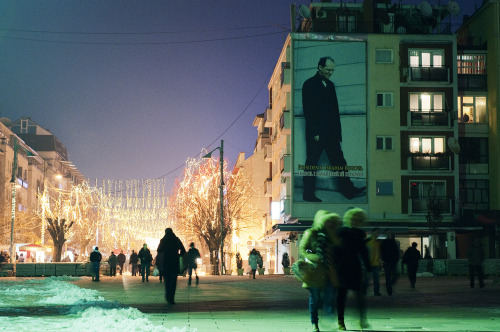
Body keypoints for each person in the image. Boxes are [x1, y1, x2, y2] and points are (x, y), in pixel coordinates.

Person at [301, 56, 366, 202]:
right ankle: (308, 194)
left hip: (331, 134)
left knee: (340, 163)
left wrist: (338, 134)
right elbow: (309, 111)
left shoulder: (330, 85)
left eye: (332, 70)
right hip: (316, 134)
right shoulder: (309, 84)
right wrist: (315, 132)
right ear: (320, 67)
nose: (330, 72)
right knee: (311, 164)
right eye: (328, 69)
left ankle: (349, 191)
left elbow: (335, 112)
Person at [299, 210, 341, 332]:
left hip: (329, 271)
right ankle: (314, 323)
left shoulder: (332, 235)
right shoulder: (310, 233)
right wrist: (314, 257)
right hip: (315, 271)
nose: (329, 223)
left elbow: (338, 249)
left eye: (331, 221)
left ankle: (329, 318)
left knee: (329, 296)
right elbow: (302, 249)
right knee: (315, 297)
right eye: (327, 220)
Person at [335, 208, 370, 331]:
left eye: (358, 219)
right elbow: (336, 249)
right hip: (342, 266)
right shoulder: (341, 231)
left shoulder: (360, 233)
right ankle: (341, 321)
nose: (355, 221)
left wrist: (368, 266)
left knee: (359, 295)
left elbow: (363, 251)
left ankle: (362, 319)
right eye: (353, 218)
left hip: (355, 267)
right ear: (349, 219)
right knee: (341, 295)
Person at [157, 228, 186, 304]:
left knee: (167, 281)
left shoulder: (163, 240)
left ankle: (167, 296)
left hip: (166, 263)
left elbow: (159, 250)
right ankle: (172, 298)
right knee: (173, 282)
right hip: (174, 263)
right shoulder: (176, 240)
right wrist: (178, 255)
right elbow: (183, 250)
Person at [380, 231, 400, 295]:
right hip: (387, 262)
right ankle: (389, 290)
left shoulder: (392, 242)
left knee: (395, 275)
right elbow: (381, 252)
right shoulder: (384, 242)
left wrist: (396, 259)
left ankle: (389, 286)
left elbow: (396, 251)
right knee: (388, 277)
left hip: (392, 261)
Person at [365, 228, 382, 296]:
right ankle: (364, 290)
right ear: (372, 233)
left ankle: (376, 292)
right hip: (370, 263)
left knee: (376, 280)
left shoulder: (377, 242)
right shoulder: (368, 241)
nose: (377, 234)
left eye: (378, 233)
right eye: (376, 232)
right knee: (368, 279)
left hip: (376, 263)